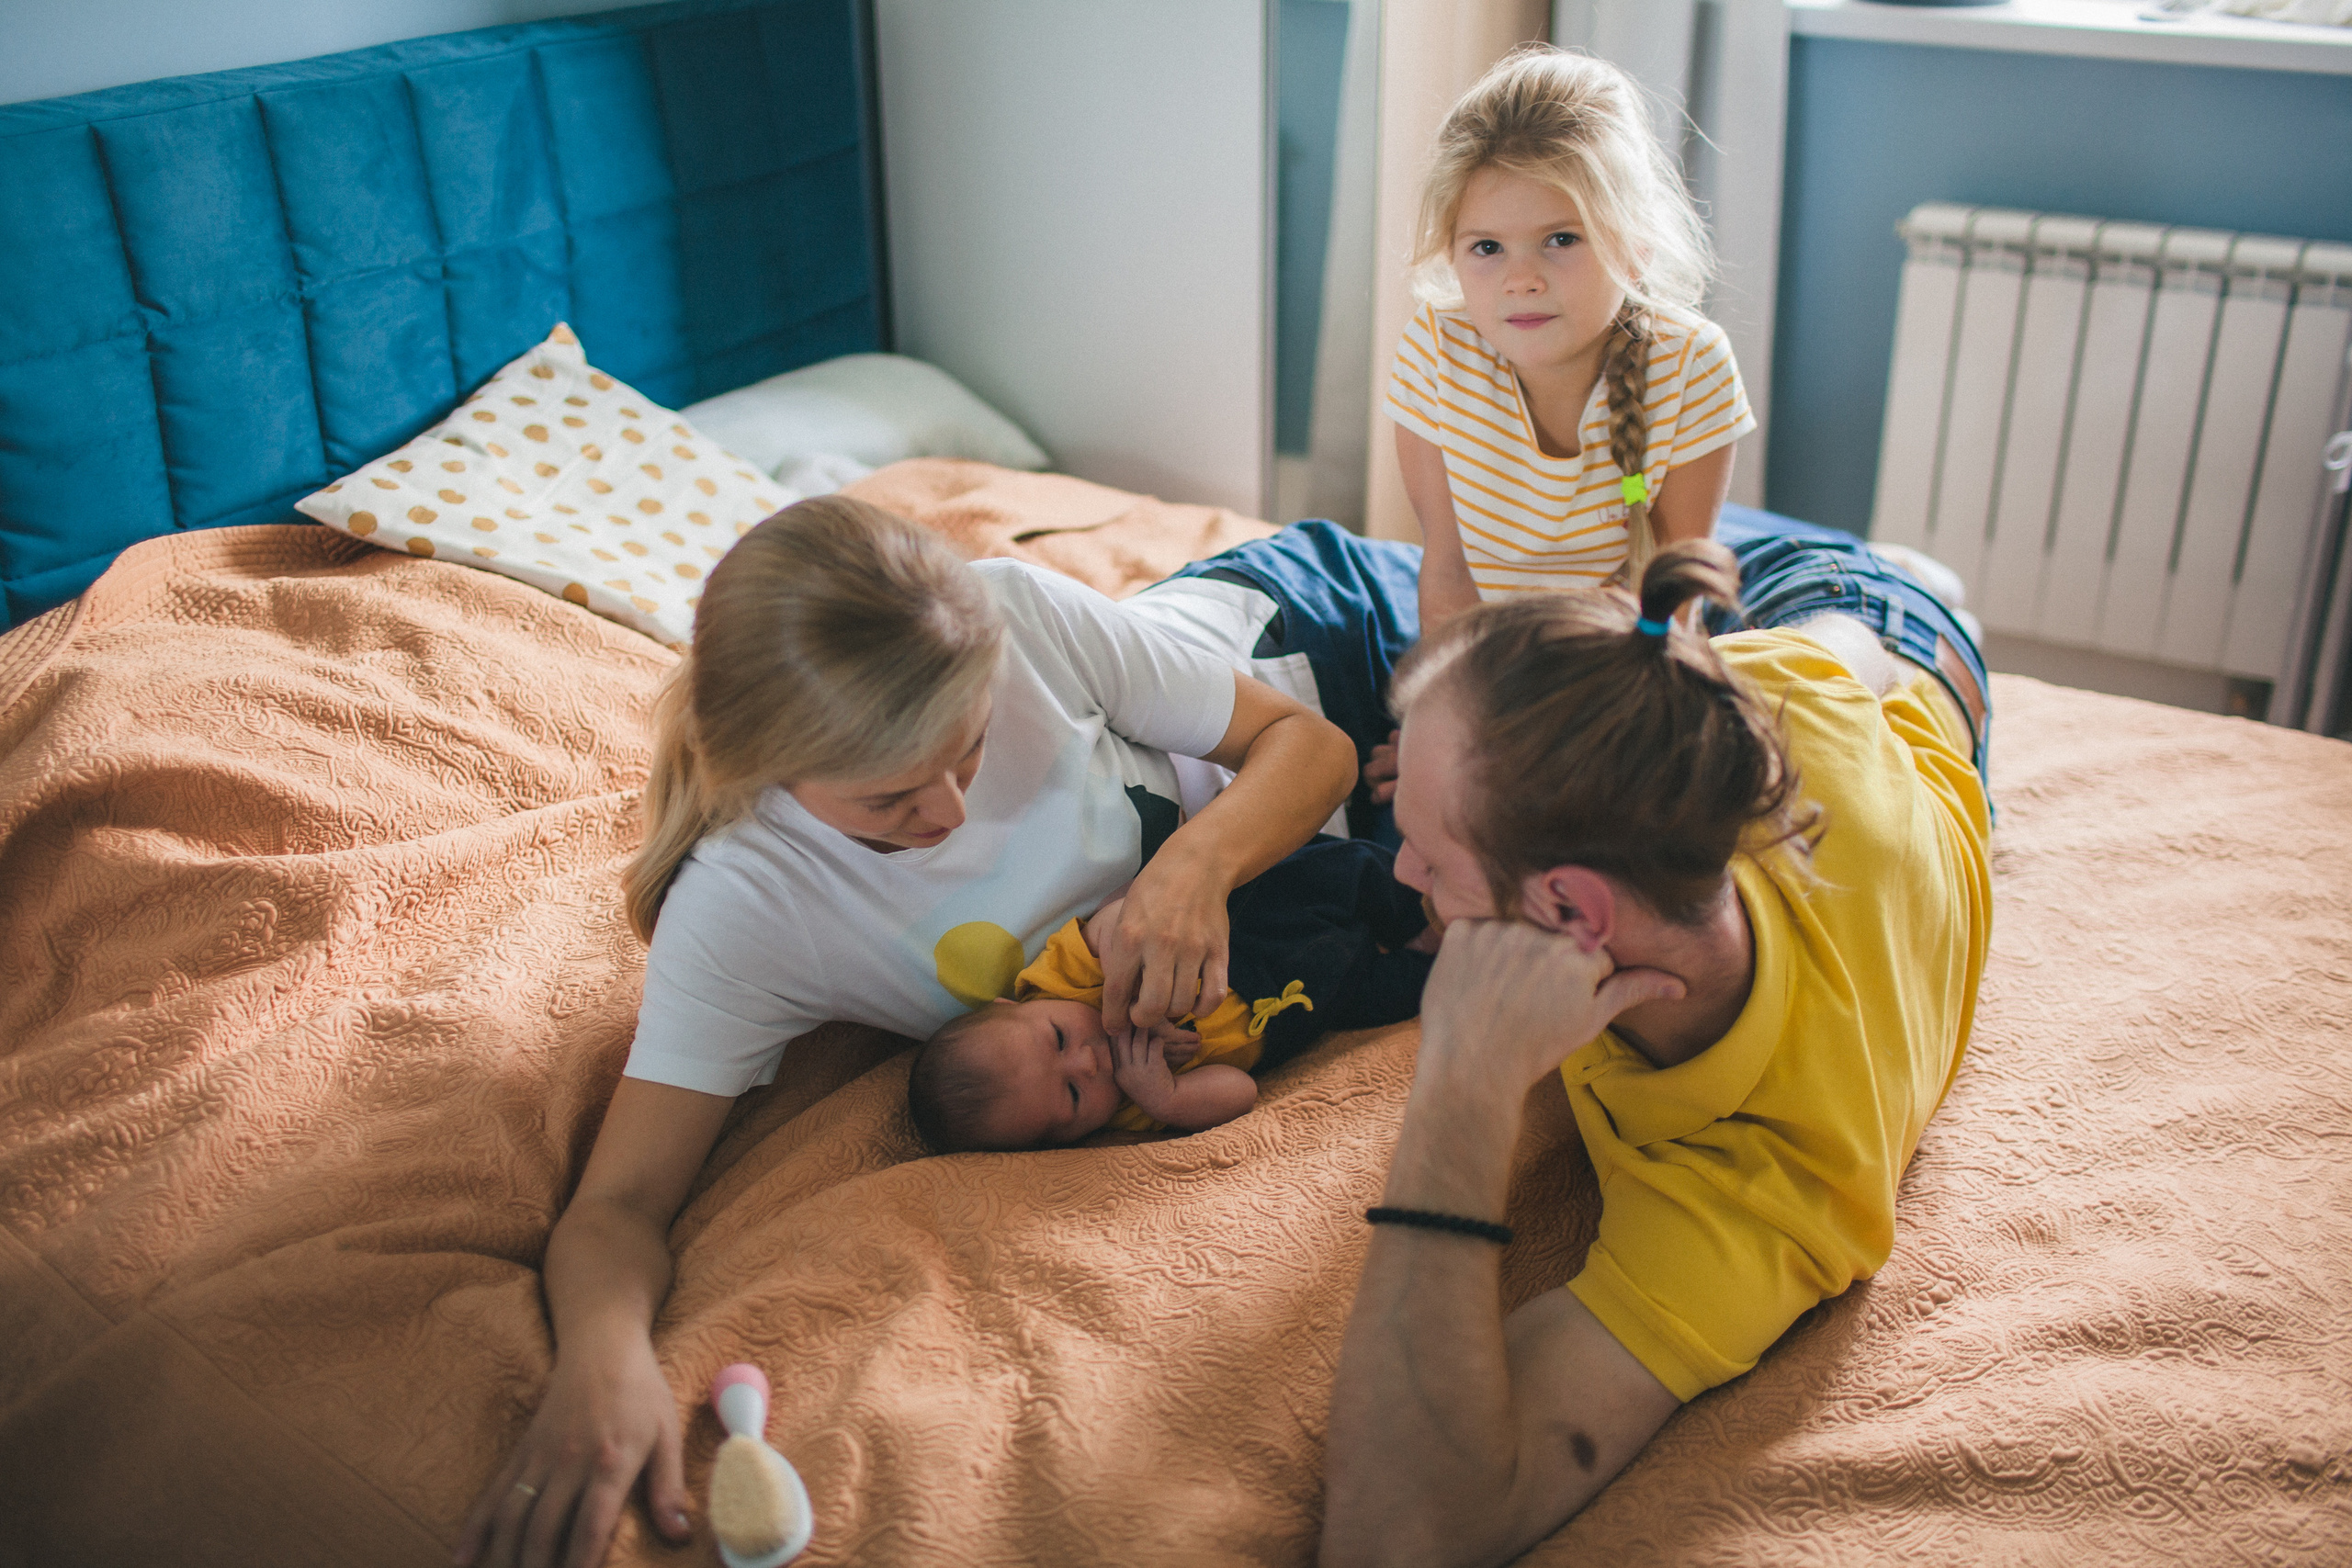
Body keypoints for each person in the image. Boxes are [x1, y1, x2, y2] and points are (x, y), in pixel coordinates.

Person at [455, 496, 1358, 1568]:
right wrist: (601, 1360)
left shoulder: (1016, 612)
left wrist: (1192, 868)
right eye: (889, 799)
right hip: (1340, 880)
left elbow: (1309, 743)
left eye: (971, 752)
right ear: (768, 765)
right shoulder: (749, 907)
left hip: (1300, 632)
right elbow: (619, 1205)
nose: (949, 812)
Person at [1319, 530, 1992, 1568]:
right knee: (1787, 628)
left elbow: (1396, 1540)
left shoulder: (1765, 1187)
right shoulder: (1701, 726)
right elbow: (1824, 658)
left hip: (1903, 640)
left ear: (1570, 910)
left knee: (1837, 615)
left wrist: (1463, 1082)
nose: (1399, 867)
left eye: (1427, 851)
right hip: (1825, 645)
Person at [1387, 44, 1754, 628]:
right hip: (1495, 656)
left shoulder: (1693, 365)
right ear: (1453, 254)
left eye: (1561, 240)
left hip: (1624, 656)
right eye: (1487, 248)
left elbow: (1671, 608)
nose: (1522, 281)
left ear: (1635, 248)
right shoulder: (1436, 351)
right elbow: (1448, 574)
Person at [909, 837, 1435, 1151]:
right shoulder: (1134, 1106)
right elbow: (1241, 1091)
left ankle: (1430, 906)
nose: (1088, 1065)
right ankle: (1452, 954)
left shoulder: (1062, 978)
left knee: (1349, 870)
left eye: (1057, 1038)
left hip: (1253, 925)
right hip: (1308, 1004)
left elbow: (1120, 921)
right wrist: (1168, 1096)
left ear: (1014, 1004)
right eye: (1072, 1096)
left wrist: (1141, 992)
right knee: (1414, 992)